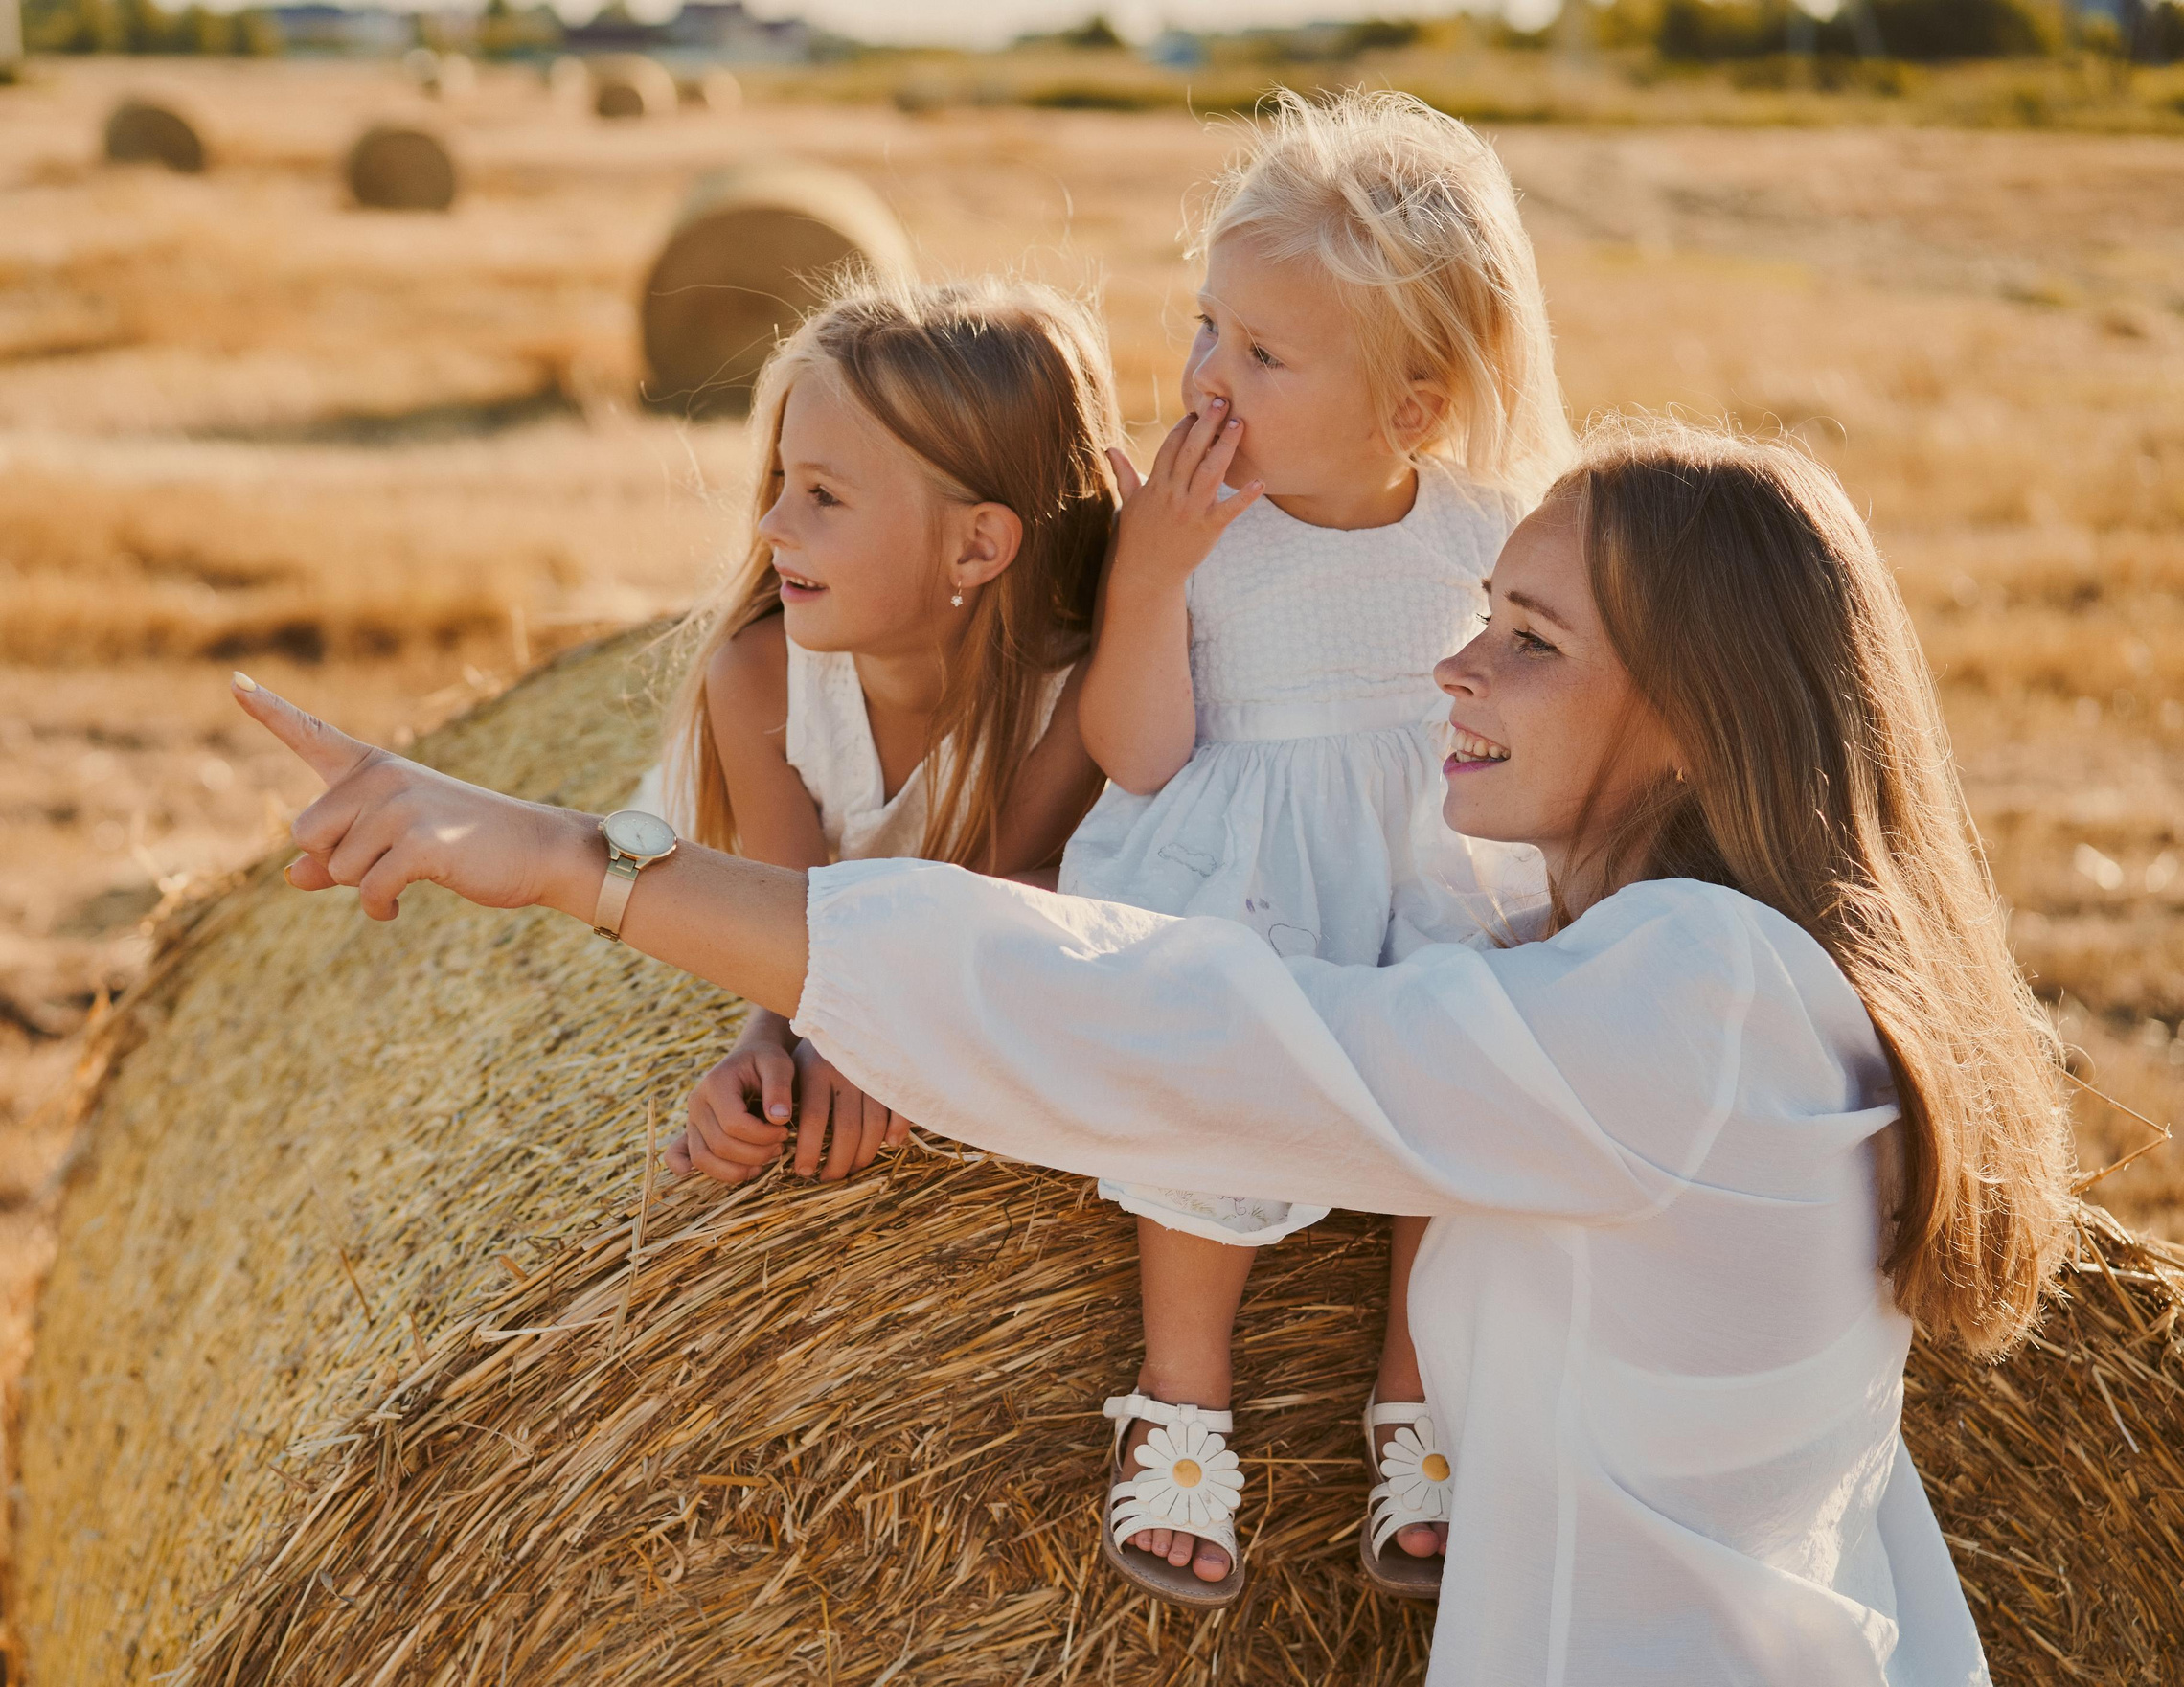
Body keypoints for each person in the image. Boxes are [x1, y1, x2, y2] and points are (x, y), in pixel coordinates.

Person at [229, 420, 2072, 1684]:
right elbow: (1860, 1530)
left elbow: (1177, 1032)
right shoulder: (1709, 991)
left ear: (1694, 711)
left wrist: (582, 862)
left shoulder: (1702, 1001)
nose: (1454, 670)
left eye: (1526, 638)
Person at [1063, 89, 1568, 1601]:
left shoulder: (1487, 529)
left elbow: (1539, 720)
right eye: (1205, 328)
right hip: (1246, 877)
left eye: (1262, 355)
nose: (1206, 377)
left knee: (1474, 1079)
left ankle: (1418, 1403)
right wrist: (1150, 578)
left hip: (1427, 863)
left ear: (1408, 409)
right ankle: (1184, 1403)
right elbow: (1137, 757)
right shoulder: (1196, 528)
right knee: (1209, 1088)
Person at [640, 277, 1114, 1187]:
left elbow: (986, 913)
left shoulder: (1083, 702)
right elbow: (787, 928)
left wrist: (873, 1037)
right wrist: (760, 1046)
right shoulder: (758, 679)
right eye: (781, 480)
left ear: (977, 547)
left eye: (822, 495)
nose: (772, 523)